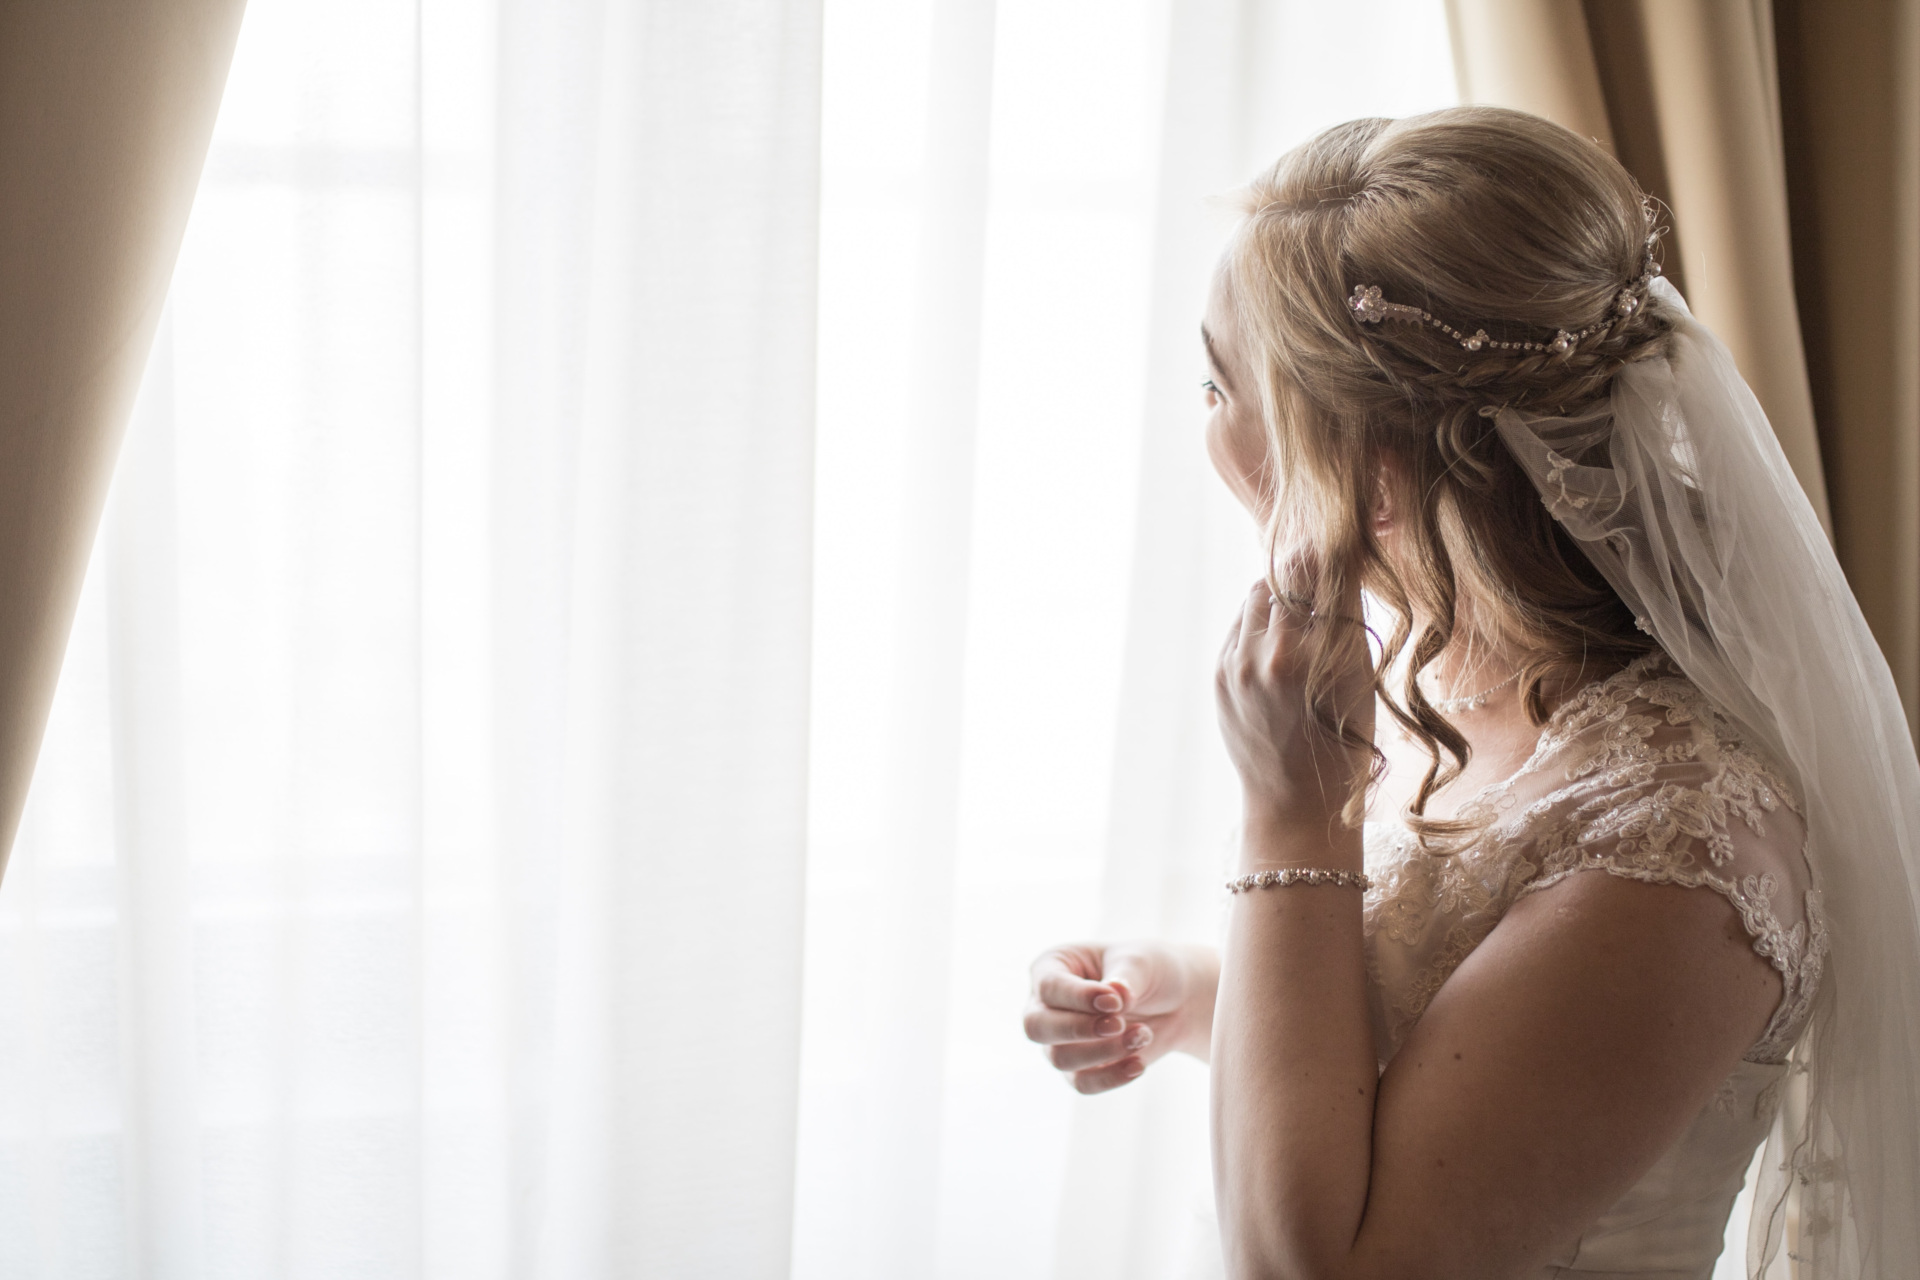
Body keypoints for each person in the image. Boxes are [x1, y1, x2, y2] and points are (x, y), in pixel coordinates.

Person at [1023, 107, 1920, 1279]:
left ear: (1370, 472)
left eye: (1215, 382)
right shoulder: (1443, 681)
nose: (1204, 421)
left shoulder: (1675, 845)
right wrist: (1184, 991)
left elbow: (1324, 1267)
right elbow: (1428, 1052)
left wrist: (1288, 814)